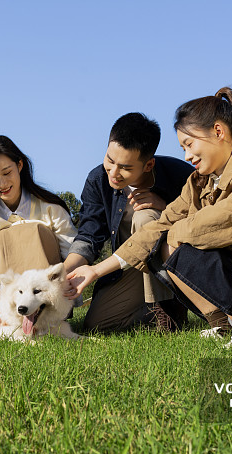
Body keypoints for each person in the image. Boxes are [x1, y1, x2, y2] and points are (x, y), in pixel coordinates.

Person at [68, 88, 232, 347]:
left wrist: (166, 232)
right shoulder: (197, 183)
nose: (187, 156)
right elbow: (160, 225)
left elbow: (205, 226)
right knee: (164, 240)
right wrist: (94, 271)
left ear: (218, 132)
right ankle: (222, 325)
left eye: (189, 144)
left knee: (171, 242)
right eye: (183, 147)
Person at [63, 113, 194, 332]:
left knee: (146, 218)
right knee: (96, 325)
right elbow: (89, 235)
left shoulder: (179, 176)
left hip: (172, 263)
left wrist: (167, 208)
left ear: (148, 164)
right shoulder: (97, 180)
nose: (114, 173)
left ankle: (164, 307)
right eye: (110, 160)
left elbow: (207, 219)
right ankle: (162, 314)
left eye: (125, 167)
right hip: (127, 265)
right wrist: (62, 272)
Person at [0, 135, 77, 309]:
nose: (2, 183)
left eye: (7, 173)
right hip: (3, 303)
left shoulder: (51, 208)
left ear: (19, 165)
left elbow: (72, 255)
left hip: (47, 302)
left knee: (35, 230)